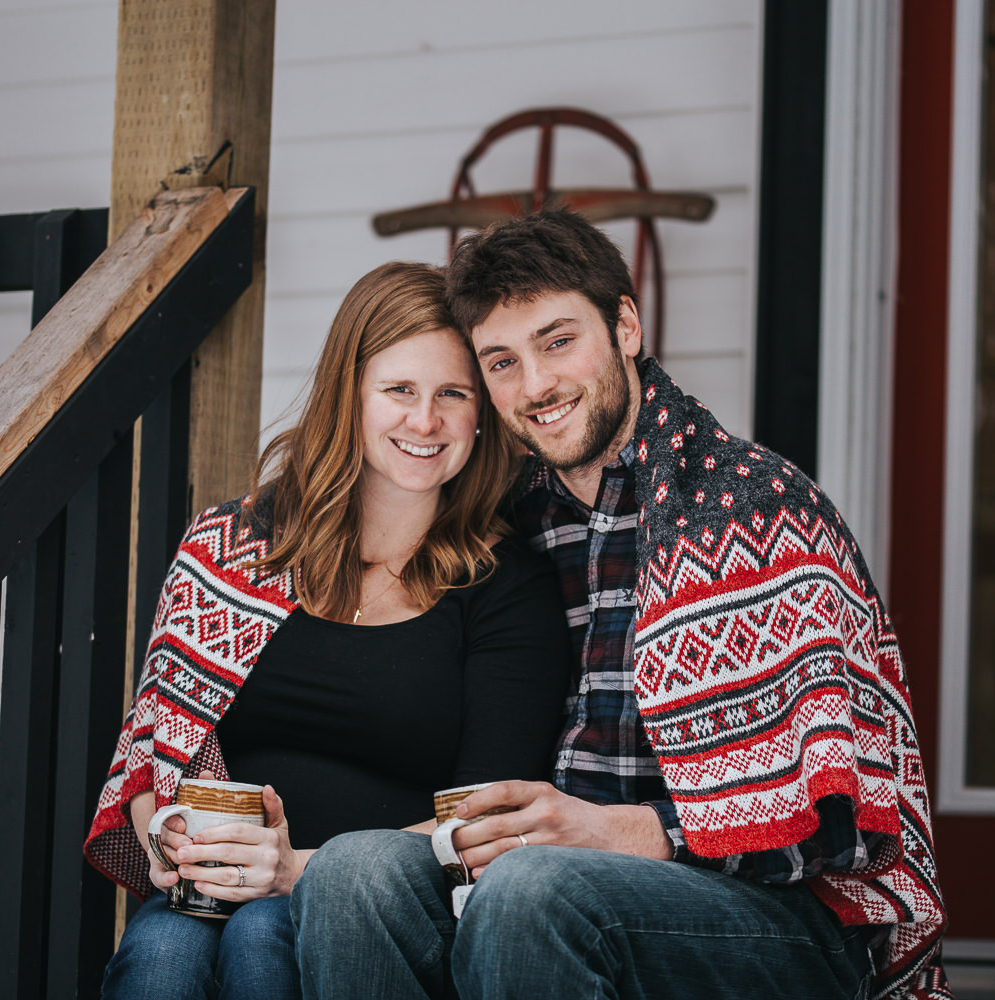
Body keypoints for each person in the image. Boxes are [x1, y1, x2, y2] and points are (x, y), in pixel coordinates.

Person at [293, 212, 954, 1000]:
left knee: (534, 893)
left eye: (558, 341)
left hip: (782, 919)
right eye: (502, 361)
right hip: (544, 881)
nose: (535, 386)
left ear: (626, 326)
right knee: (351, 872)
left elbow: (837, 826)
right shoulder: (513, 522)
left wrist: (624, 833)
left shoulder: (754, 510)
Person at [83, 261, 571, 1000]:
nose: (425, 420)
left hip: (384, 912)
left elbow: (490, 820)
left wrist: (292, 869)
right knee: (160, 959)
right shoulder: (233, 549)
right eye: (399, 390)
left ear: (482, 413)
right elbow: (156, 751)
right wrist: (167, 842)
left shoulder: (505, 586)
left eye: (453, 395)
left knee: (263, 939)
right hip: (212, 887)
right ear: (350, 394)